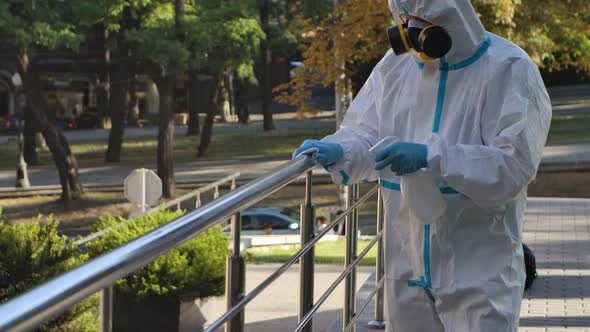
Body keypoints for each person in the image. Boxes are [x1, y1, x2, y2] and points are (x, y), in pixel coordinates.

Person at [293, 1, 551, 331]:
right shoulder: (396, 66)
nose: (412, 34)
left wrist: (432, 157)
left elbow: (513, 165)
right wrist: (339, 149)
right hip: (406, 263)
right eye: (406, 22)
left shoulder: (508, 67)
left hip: (479, 268)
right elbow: (365, 132)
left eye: (422, 23)